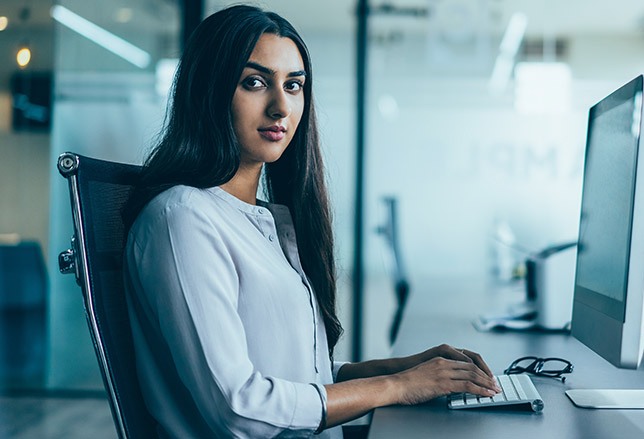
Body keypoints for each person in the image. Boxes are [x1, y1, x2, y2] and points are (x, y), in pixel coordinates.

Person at [123, 5, 501, 438]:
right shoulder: (183, 219)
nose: (280, 106)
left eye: (294, 85)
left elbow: (297, 378)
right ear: (209, 90)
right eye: (255, 82)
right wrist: (396, 386)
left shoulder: (262, 220)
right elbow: (241, 407)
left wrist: (405, 369)